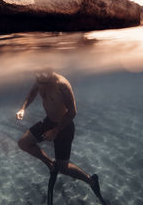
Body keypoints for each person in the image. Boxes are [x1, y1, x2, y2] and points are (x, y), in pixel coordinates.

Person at [16, 68, 100, 196]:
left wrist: (55, 131)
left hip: (64, 127)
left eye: (42, 75)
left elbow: (72, 112)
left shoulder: (62, 84)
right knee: (24, 143)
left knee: (64, 168)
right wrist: (23, 108)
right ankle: (51, 165)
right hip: (49, 122)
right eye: (37, 74)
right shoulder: (40, 80)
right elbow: (32, 94)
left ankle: (90, 180)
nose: (39, 78)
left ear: (50, 70)